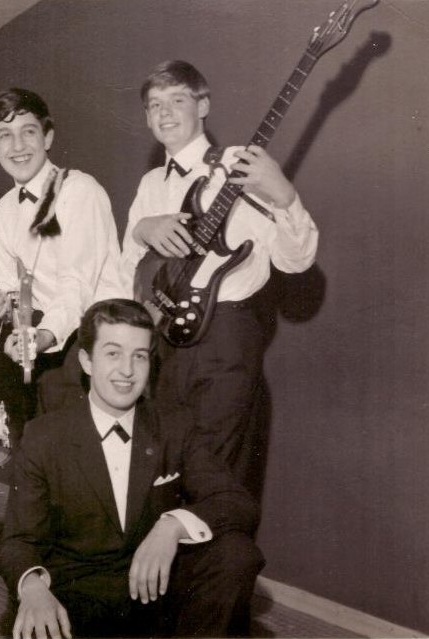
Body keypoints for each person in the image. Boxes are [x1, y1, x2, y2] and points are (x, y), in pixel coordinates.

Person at [0, 298, 264, 638]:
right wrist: (32, 587)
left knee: (235, 554)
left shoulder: (173, 425)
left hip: (155, 587)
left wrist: (171, 525)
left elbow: (236, 502)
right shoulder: (45, 436)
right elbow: (17, 542)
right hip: (79, 594)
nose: (127, 370)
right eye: (113, 353)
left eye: (139, 356)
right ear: (86, 361)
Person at [120, 60, 319, 497]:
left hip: (226, 340)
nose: (165, 113)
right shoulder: (151, 183)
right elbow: (128, 270)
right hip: (163, 344)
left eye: (177, 100)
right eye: (155, 105)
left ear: (204, 105)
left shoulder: (241, 165)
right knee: (164, 470)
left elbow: (295, 260)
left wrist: (285, 196)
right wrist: (141, 230)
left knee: (214, 477)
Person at [0, 88, 123, 445]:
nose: (17, 146)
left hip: (88, 342)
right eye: (4, 136)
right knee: (31, 461)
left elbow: (76, 287)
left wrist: (41, 337)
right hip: (38, 347)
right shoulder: (3, 210)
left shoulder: (79, 191)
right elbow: (11, 287)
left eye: (28, 131)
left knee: (78, 470)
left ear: (48, 137)